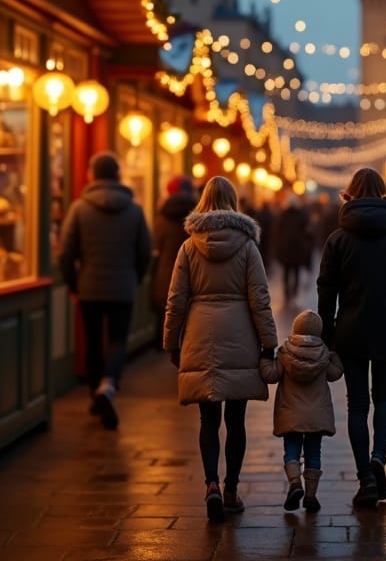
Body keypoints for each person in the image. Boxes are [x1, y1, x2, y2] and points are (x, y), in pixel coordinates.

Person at [163, 175, 278, 523]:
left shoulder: (188, 247)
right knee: (236, 420)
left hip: (199, 334)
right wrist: (268, 342)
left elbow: (176, 299)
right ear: (233, 202)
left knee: (208, 419)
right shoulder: (247, 246)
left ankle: (210, 483)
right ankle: (230, 489)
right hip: (240, 336)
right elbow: (260, 298)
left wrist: (171, 341)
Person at [317, 167, 386, 508]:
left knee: (358, 405)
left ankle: (365, 478)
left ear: (349, 195)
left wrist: (327, 330)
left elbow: (326, 289)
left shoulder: (337, 239)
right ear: (384, 194)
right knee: (385, 398)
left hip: (351, 329)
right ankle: (379, 457)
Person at [58, 151, 152, 430]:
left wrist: (73, 282)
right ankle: (108, 385)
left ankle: (94, 395)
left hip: (89, 286)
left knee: (93, 342)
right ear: (117, 175)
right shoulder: (134, 210)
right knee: (117, 341)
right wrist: (135, 276)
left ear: (93, 175)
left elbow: (65, 252)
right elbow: (145, 251)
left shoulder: (79, 208)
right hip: (122, 286)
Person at [260, 309, 343, 513]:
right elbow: (336, 374)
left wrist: (264, 359)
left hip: (291, 415)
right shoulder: (324, 355)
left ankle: (295, 482)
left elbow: (270, 375)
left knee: (292, 450)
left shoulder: (284, 353)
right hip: (316, 417)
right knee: (314, 452)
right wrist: (336, 355)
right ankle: (311, 496)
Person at [149, 176, 198, 349]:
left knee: (166, 314)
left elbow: (155, 249)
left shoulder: (162, 219)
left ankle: (165, 345)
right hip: (192, 275)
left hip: (165, 274)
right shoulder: (197, 218)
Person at [274, 195, 313, 305]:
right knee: (296, 272)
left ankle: (287, 294)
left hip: (286, 248)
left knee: (286, 272)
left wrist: (278, 246)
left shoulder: (283, 214)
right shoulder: (301, 215)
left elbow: (277, 232)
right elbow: (307, 231)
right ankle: (294, 293)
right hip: (297, 248)